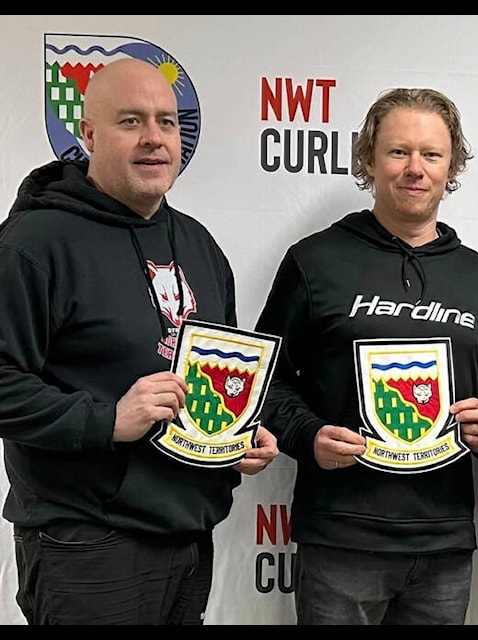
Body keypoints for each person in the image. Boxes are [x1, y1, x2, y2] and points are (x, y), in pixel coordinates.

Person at [0, 58, 278, 625]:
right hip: (87, 544)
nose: (154, 138)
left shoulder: (198, 245)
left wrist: (236, 435)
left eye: (167, 122)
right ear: (89, 134)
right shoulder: (33, 243)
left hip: (187, 536)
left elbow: (210, 378)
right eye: (131, 122)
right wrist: (106, 420)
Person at [254, 87, 478, 625]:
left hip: (444, 542)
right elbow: (262, 382)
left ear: (452, 165)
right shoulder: (314, 260)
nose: (415, 169)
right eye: (398, 152)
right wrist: (308, 436)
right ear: (369, 159)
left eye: (431, 154)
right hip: (342, 538)